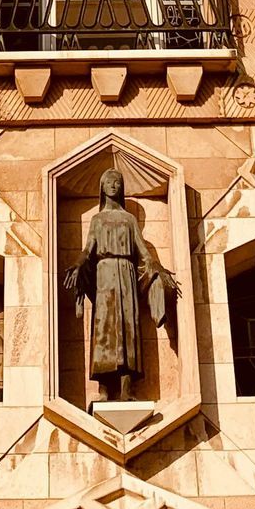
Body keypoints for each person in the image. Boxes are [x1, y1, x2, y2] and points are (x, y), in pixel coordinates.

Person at [63, 168, 178, 402]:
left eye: (117, 182)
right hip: (104, 277)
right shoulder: (97, 219)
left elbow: (143, 253)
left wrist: (159, 269)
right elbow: (88, 250)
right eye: (109, 182)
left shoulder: (129, 219)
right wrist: (77, 265)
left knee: (128, 329)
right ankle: (104, 389)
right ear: (102, 188)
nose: (113, 186)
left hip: (126, 276)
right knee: (104, 329)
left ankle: (127, 390)